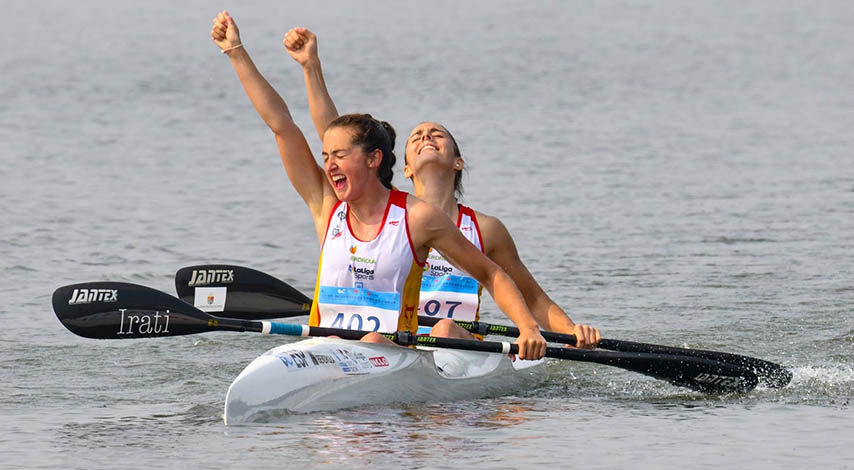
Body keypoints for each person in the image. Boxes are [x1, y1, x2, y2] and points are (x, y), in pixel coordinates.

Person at [211, 11, 548, 360]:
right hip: (327, 353)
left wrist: (527, 328)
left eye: (339, 156)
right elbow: (282, 125)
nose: (329, 164)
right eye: (326, 156)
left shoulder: (418, 217)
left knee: (373, 341)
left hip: (395, 358)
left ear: (373, 160)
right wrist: (235, 51)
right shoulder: (327, 207)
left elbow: (491, 274)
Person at [281, 27, 601, 348]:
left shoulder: (486, 230)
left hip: (458, 345)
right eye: (416, 136)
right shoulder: (393, 215)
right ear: (403, 167)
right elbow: (334, 134)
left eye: (437, 134)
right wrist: (311, 68)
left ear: (457, 162)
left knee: (445, 328)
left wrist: (572, 332)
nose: (426, 137)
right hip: (396, 344)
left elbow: (532, 297)